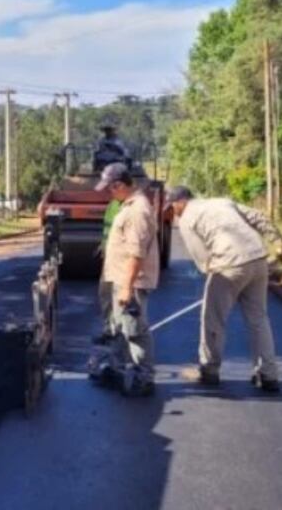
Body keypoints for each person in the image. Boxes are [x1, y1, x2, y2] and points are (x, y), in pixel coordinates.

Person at [166, 186, 282, 393]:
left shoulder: (187, 219)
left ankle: (209, 370)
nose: (172, 212)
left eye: (172, 207)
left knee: (213, 319)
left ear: (180, 202)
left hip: (229, 264)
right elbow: (258, 217)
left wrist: (216, 278)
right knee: (258, 319)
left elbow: (202, 259)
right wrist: (279, 242)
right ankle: (268, 375)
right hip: (258, 260)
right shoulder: (222, 202)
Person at [97, 162, 160, 395]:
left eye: (109, 188)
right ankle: (123, 370)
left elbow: (136, 253)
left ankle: (144, 377)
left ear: (119, 185)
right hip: (121, 278)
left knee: (135, 330)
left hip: (130, 281)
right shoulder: (129, 205)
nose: (108, 193)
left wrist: (126, 287)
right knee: (121, 327)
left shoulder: (136, 210)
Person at [93, 198, 122, 344]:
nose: (111, 190)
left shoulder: (130, 207)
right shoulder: (113, 205)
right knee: (105, 292)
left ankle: (122, 332)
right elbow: (108, 230)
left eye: (114, 187)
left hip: (122, 259)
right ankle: (109, 328)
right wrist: (103, 246)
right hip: (110, 257)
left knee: (119, 296)